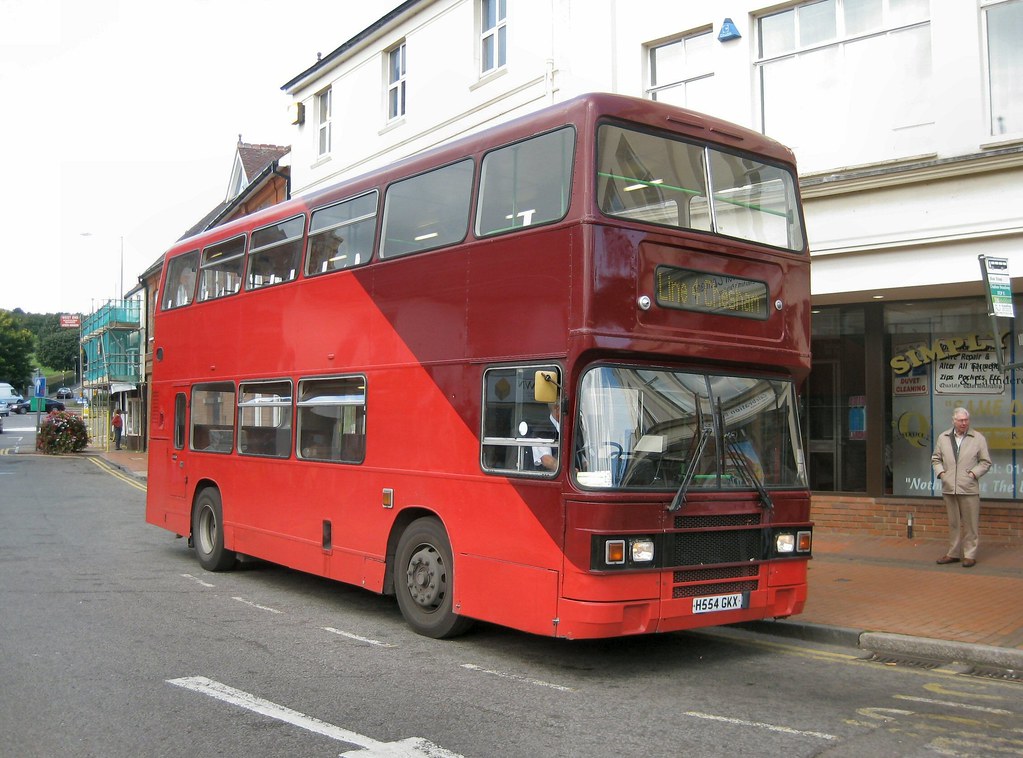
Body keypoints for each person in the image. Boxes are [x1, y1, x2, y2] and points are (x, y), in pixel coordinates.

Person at [930, 407, 991, 567]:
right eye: (960, 420)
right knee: (954, 523)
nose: (964, 423)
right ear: (954, 421)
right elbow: (936, 458)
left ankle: (970, 554)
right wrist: (942, 474)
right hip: (949, 487)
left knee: (971, 524)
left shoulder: (977, 438)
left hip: (969, 488)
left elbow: (985, 462)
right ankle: (953, 553)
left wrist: (972, 474)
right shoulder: (943, 437)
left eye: (966, 420)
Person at [531, 402, 560, 471]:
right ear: (557, 409)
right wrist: (568, 470)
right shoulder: (541, 430)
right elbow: (546, 460)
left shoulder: (570, 428)